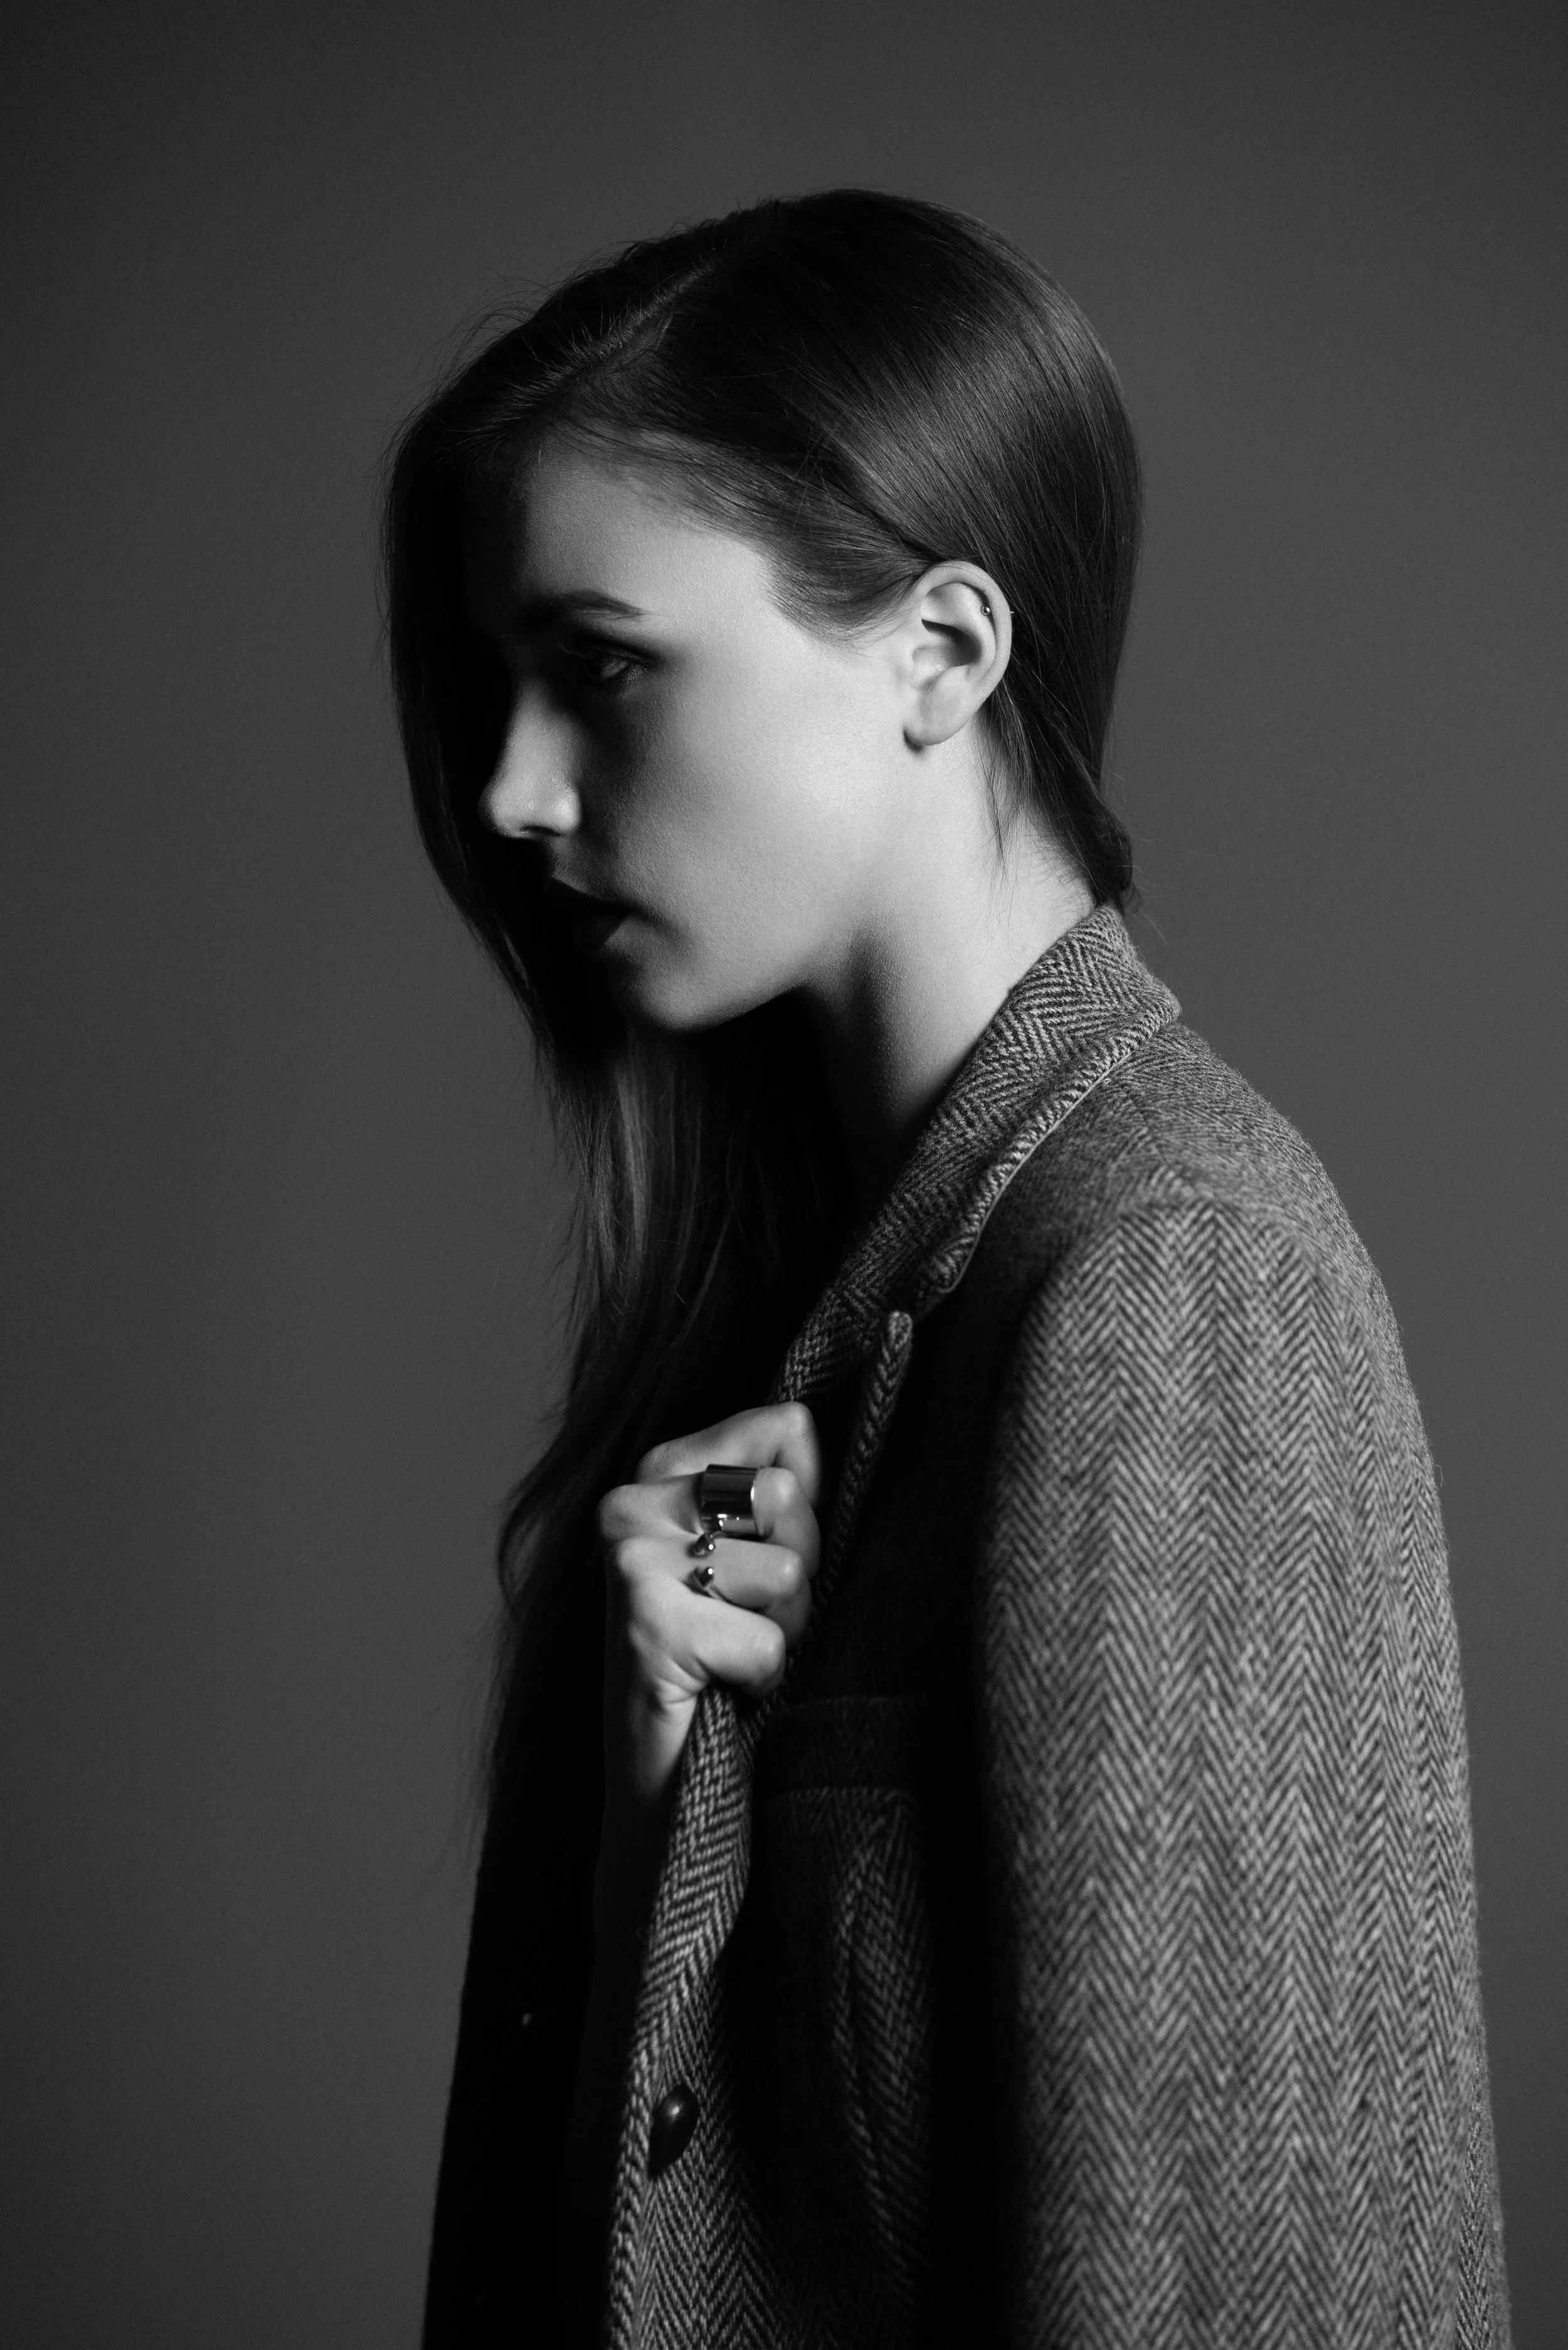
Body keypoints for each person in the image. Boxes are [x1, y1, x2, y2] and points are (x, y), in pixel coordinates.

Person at [384, 189, 1510, 2349]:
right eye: (497, 684)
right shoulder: (787, 1323)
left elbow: (1253, 2299)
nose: (516, 790)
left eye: (600, 666)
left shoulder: (1168, 1286)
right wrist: (654, 1845)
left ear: (942, 652)